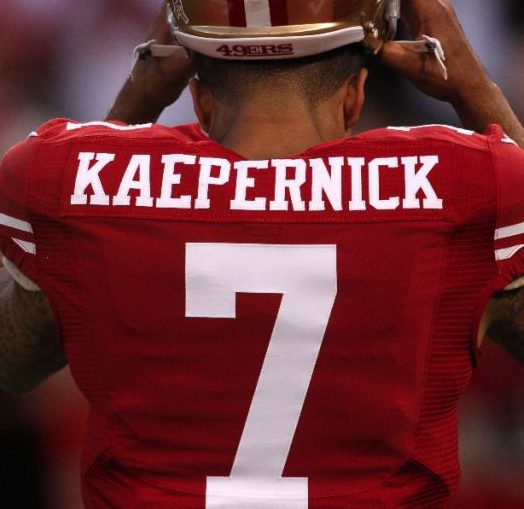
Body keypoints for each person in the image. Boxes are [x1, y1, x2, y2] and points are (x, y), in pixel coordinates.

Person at [0, 0, 523, 506]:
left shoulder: (64, 178)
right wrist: (475, 90)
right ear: (354, 97)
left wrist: (139, 95)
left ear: (199, 99)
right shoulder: (465, 184)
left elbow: (18, 363)